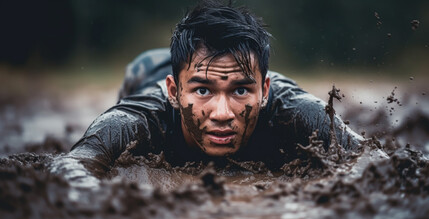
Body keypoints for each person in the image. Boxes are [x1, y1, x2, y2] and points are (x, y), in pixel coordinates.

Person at [51, 0, 363, 188]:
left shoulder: (295, 112)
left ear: (265, 91)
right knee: (140, 68)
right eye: (204, 90)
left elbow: (373, 162)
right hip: (152, 71)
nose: (222, 113)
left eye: (240, 90)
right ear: (174, 92)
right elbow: (72, 167)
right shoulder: (139, 119)